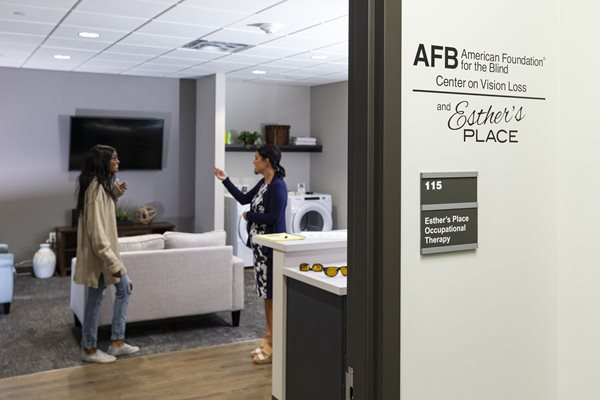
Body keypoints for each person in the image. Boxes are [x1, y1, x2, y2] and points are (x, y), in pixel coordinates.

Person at [215, 144, 287, 364]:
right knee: (266, 295)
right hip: (259, 248)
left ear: (266, 161)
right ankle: (268, 336)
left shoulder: (278, 186)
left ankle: (274, 343)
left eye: (256, 158)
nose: (253, 162)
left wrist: (250, 217)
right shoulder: (264, 183)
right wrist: (225, 179)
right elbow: (244, 199)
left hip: (271, 249)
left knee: (273, 296)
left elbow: (274, 217)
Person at [74, 144, 140, 364]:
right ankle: (92, 349)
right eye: (114, 159)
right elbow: (97, 233)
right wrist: (114, 263)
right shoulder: (94, 189)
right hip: (100, 257)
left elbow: (103, 210)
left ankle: (115, 343)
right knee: (117, 290)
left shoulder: (101, 187)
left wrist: (115, 193)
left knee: (117, 291)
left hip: (103, 256)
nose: (118, 162)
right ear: (103, 161)